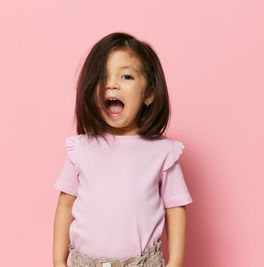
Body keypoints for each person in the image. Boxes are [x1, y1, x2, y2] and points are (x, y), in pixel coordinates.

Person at [52, 32, 193, 267]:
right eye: (102, 77)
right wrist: (58, 260)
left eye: (126, 76)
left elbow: (175, 209)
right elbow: (66, 204)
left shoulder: (163, 153)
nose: (112, 84)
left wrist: (175, 263)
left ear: (149, 94)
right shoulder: (80, 149)